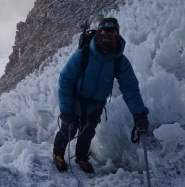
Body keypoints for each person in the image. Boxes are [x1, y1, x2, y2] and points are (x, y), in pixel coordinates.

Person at [53, 18, 149, 173]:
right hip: (76, 101)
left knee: (87, 133)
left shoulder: (119, 61)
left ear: (118, 34)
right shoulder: (83, 55)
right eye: (103, 31)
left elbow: (130, 88)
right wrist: (66, 109)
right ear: (98, 33)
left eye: (112, 32)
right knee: (68, 130)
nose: (107, 35)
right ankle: (58, 154)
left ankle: (81, 157)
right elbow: (66, 80)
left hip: (96, 105)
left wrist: (139, 114)